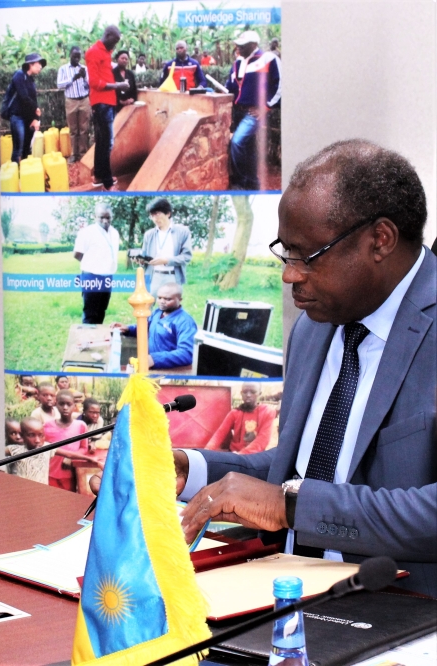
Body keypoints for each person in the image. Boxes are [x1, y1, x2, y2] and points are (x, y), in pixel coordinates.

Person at [177, 140, 436, 596]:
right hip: (283, 598)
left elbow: (297, 498)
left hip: (403, 615)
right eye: (285, 251)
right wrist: (192, 470)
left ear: (381, 240)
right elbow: (303, 469)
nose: (290, 275)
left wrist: (295, 508)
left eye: (307, 255)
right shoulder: (315, 326)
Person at [225, 30, 281, 190]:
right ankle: (252, 183)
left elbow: (280, 86)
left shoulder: (268, 59)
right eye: (237, 45)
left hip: (253, 113)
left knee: (237, 142)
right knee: (247, 147)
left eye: (242, 46)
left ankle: (241, 182)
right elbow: (230, 86)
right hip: (238, 111)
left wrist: (265, 107)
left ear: (253, 45)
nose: (238, 48)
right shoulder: (238, 62)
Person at [113, 282, 197, 369]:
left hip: (171, 371)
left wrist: (155, 359)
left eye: (168, 299)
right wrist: (128, 329)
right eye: (159, 298)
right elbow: (145, 328)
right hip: (151, 365)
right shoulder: (157, 312)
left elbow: (187, 353)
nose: (162, 302)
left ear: (180, 300)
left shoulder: (185, 322)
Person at [85, 25, 129, 189]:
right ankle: (107, 180)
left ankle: (98, 176)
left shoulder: (106, 53)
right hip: (101, 103)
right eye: (115, 41)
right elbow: (94, 82)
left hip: (108, 102)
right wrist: (118, 86)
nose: (115, 45)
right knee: (106, 142)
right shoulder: (94, 52)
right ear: (108, 35)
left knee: (102, 142)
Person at [74, 202, 122, 324]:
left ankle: (97, 340)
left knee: (102, 310)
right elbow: (77, 254)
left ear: (112, 217)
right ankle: (87, 341)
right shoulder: (87, 232)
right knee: (90, 313)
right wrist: (93, 264)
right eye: (102, 217)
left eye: (108, 217)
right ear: (95, 217)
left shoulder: (115, 232)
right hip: (92, 276)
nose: (105, 221)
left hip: (107, 277)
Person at [138, 197, 193, 297]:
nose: (155, 218)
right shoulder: (149, 234)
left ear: (168, 213)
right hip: (153, 276)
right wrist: (141, 261)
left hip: (172, 277)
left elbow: (186, 257)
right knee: (147, 306)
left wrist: (166, 261)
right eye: (152, 215)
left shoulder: (183, 232)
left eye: (158, 214)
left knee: (170, 308)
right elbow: (144, 255)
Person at [44, 390, 96, 492]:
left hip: (70, 475)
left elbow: (83, 448)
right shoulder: (47, 426)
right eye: (61, 404)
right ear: (56, 404)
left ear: (74, 406)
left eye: (69, 404)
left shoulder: (81, 426)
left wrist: (70, 458)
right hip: (50, 474)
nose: (65, 407)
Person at [204, 383, 276, 454]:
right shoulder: (234, 413)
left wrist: (241, 454)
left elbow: (263, 440)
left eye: (253, 392)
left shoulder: (267, 412)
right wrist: (206, 451)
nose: (248, 395)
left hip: (255, 457)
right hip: (235, 453)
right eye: (245, 392)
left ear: (259, 393)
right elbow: (220, 434)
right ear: (241, 393)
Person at [4, 53, 45, 164]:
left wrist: (35, 118)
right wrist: (36, 109)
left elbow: (33, 100)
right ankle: (14, 175)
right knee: (18, 148)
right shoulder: (19, 76)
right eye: (38, 63)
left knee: (27, 147)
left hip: (27, 118)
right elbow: (24, 97)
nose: (41, 66)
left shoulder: (31, 81)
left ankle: (25, 174)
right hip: (17, 117)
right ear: (30, 65)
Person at [56, 46, 91, 162]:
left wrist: (84, 76)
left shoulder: (84, 68)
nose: (77, 59)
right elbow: (59, 84)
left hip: (84, 100)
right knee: (73, 130)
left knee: (84, 129)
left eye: (79, 57)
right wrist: (74, 78)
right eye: (74, 56)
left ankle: (82, 153)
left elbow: (90, 83)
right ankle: (73, 154)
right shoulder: (63, 69)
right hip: (71, 101)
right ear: (70, 55)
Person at [6, 418, 50, 485]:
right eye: (13, 433)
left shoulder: (41, 447)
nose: (18, 437)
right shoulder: (12, 450)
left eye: (19, 434)